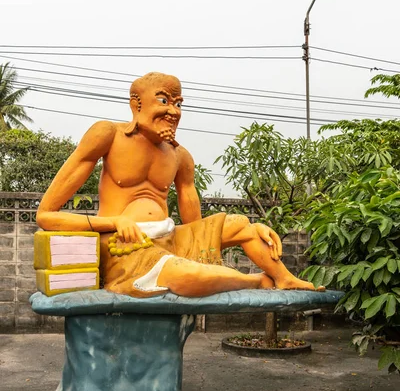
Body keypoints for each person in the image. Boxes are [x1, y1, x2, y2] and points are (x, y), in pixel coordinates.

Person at [37, 72, 320, 298]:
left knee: (241, 223)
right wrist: (114, 222)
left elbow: (196, 231)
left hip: (170, 239)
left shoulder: (179, 156)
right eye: (163, 101)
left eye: (178, 103)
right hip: (126, 247)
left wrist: (248, 229)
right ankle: (258, 282)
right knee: (187, 275)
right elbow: (45, 216)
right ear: (137, 104)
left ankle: (284, 278)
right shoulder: (108, 135)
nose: (173, 111)